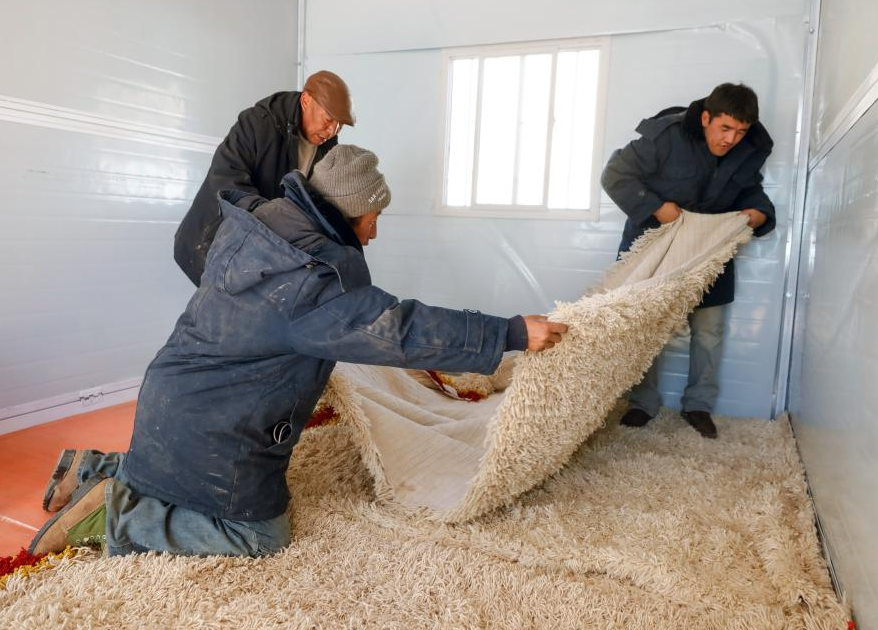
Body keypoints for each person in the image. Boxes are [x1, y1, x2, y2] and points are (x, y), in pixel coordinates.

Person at [30, 145, 568, 557]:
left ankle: (92, 467)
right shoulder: (311, 281)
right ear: (350, 212)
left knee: (171, 471)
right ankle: (115, 520)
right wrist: (510, 332)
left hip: (169, 402)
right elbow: (395, 330)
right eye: (374, 217)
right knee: (258, 534)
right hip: (216, 428)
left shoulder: (258, 235)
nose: (376, 232)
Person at [601, 83, 776, 438]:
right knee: (644, 326)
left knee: (709, 331)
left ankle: (698, 405)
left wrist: (760, 213)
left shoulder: (751, 147)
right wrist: (656, 207)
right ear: (707, 118)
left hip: (709, 248)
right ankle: (641, 403)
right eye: (724, 128)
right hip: (656, 242)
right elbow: (615, 174)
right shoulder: (667, 136)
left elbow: (750, 188)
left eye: (740, 132)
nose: (731, 139)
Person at [174, 70, 355, 286]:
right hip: (212, 241)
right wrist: (280, 226)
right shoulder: (258, 123)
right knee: (221, 312)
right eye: (328, 119)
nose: (332, 130)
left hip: (263, 253)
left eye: (339, 125)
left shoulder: (327, 144)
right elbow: (226, 182)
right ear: (306, 100)